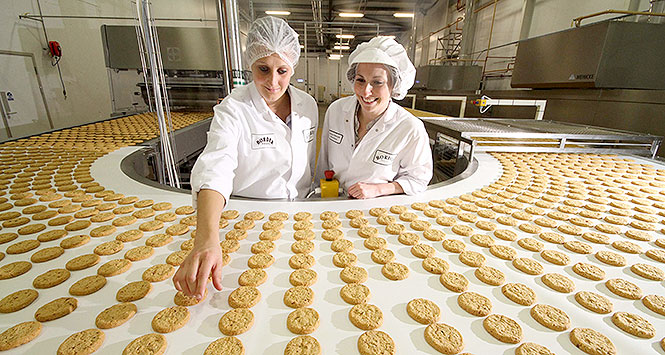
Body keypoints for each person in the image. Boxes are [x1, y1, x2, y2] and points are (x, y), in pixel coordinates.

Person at [173, 16, 318, 299]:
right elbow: (217, 165)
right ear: (251, 63)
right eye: (263, 69)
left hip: (300, 220)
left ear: (293, 67)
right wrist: (206, 239)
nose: (273, 82)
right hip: (249, 224)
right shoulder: (234, 109)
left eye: (282, 70)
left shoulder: (308, 105)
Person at [316, 36, 432, 199]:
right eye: (360, 80)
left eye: (377, 82)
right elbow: (324, 162)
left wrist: (379, 189)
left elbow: (418, 180)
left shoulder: (410, 127)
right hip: (333, 200)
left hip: (376, 207)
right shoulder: (336, 110)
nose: (365, 91)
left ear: (394, 85)